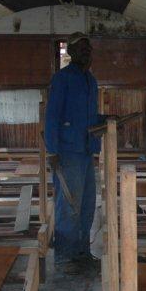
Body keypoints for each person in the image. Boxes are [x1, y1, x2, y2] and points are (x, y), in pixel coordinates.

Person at [44, 32, 103, 274]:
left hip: (87, 151)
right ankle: (65, 258)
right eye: (80, 49)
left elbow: (90, 118)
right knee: (68, 205)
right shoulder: (62, 79)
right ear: (70, 52)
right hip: (67, 153)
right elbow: (52, 117)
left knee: (87, 205)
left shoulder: (90, 80)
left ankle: (82, 253)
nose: (86, 52)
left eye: (88, 48)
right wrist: (52, 152)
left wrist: (107, 121)